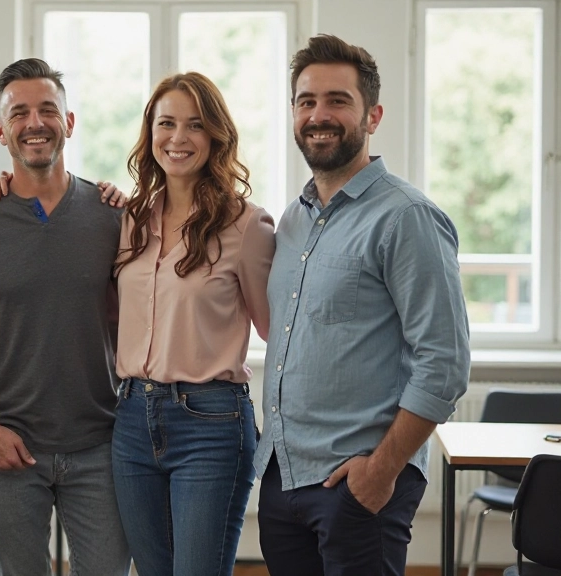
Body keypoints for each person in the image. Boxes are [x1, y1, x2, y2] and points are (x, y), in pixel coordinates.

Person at [255, 34, 470, 576]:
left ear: (372, 115)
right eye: (306, 102)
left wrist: (382, 468)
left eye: (337, 101)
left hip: (359, 481)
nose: (318, 115)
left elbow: (444, 361)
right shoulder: (293, 220)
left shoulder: (407, 217)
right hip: (285, 478)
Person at [0, 58, 131, 576]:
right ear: (2, 131)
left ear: (69, 122)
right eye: (19, 113)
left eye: (48, 109)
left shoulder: (115, 216)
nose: (35, 123)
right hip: (9, 449)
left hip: (102, 446)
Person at [111, 72, 274, 576]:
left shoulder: (247, 225)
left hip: (211, 423)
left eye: (194, 125)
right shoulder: (129, 218)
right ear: (150, 133)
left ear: (215, 137)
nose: (178, 138)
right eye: (166, 124)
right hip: (133, 420)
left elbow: (278, 332)